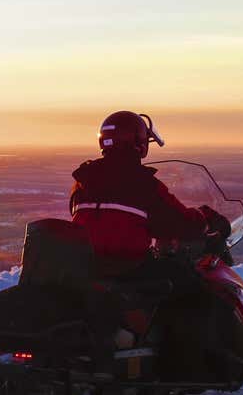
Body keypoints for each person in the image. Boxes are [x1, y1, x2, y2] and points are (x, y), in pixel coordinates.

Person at [70, 110, 229, 277]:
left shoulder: (82, 183)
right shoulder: (144, 184)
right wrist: (206, 218)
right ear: (139, 143)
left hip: (88, 274)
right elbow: (180, 223)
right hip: (130, 275)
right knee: (190, 283)